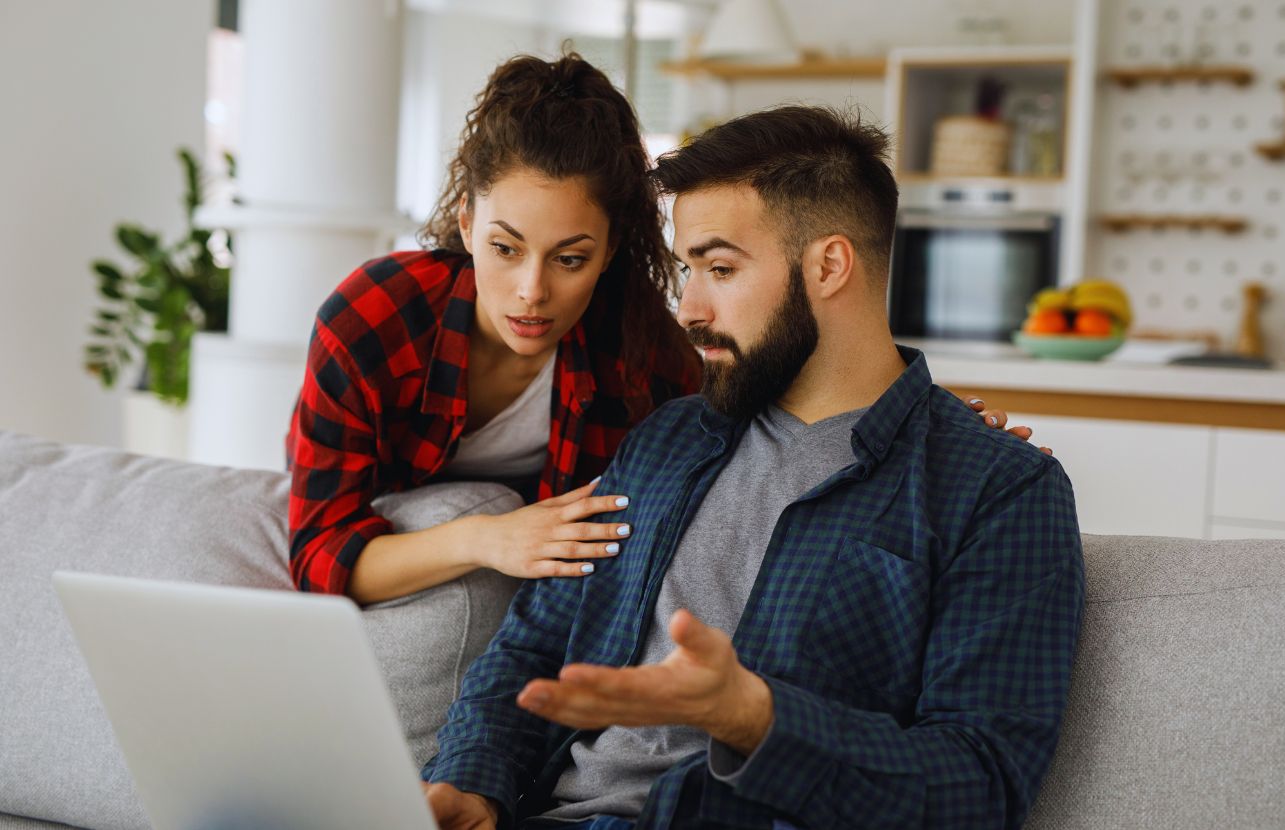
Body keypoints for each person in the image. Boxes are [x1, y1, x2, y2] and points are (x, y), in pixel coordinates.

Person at [419, 106, 1085, 830]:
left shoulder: (998, 490)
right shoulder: (665, 441)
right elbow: (534, 646)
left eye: (720, 268)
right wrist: (468, 784)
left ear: (828, 265)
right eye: (686, 269)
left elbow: (979, 786)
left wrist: (755, 719)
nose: (689, 306)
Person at [285, 54, 1033, 604]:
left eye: (571, 258)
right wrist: (488, 536)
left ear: (610, 251)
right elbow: (319, 551)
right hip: (388, 541)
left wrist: (921, 424)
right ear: (467, 221)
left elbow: (771, 392)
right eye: (504, 247)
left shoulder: (640, 345)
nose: (532, 291)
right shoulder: (376, 318)